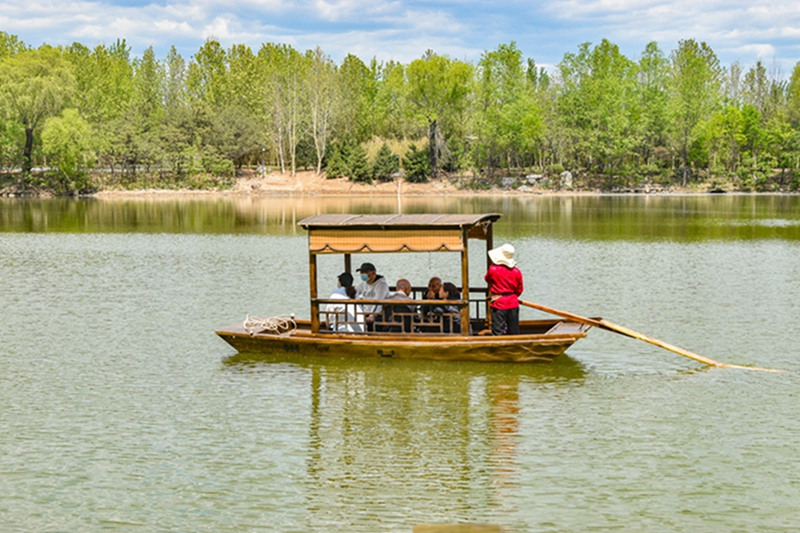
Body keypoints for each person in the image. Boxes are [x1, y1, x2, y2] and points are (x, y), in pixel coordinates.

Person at [484, 243, 524, 335]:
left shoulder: (493, 269)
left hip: (499, 303)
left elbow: (487, 279)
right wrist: (512, 296)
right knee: (514, 330)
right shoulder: (517, 272)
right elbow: (520, 289)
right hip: (513, 302)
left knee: (498, 331)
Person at [355, 262, 390, 330]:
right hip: (366, 313)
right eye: (361, 272)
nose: (362, 275)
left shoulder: (382, 285)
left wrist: (372, 315)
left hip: (379, 315)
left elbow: (378, 302)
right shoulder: (363, 283)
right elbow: (354, 292)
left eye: (365, 272)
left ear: (373, 273)